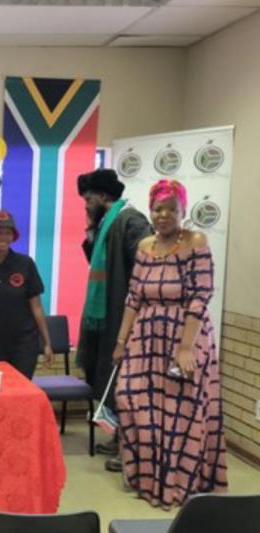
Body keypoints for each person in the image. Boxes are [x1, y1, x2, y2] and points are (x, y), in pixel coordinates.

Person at [112, 179, 227, 508]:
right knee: (129, 397)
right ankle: (148, 478)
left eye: (171, 209)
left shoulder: (195, 241)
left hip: (185, 335)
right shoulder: (144, 246)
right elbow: (133, 298)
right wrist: (121, 341)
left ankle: (177, 484)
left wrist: (186, 348)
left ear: (182, 210)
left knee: (179, 411)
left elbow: (199, 296)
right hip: (145, 339)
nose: (163, 215)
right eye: (157, 209)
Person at [76, 168, 151, 472]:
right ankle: (119, 435)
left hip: (124, 316)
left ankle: (130, 447)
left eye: (88, 200)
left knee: (124, 384)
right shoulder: (107, 223)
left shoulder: (131, 221)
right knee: (107, 378)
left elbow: (145, 269)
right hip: (106, 314)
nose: (85, 205)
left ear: (104, 196)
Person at [0, 210, 52, 379]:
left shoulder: (25, 264)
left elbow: (37, 307)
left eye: (7, 233)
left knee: (22, 389)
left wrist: (47, 343)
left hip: (24, 344)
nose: (3, 237)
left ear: (13, 236)